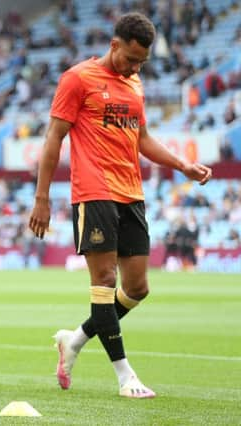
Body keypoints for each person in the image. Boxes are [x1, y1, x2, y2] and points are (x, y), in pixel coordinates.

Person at [28, 13, 212, 399]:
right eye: (130, 59)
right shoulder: (78, 79)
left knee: (138, 288)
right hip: (94, 193)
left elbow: (142, 138)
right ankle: (125, 375)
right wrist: (42, 198)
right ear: (114, 45)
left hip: (132, 193)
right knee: (105, 282)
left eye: (141, 62)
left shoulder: (135, 83)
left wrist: (182, 166)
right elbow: (53, 139)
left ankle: (74, 340)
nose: (134, 67)